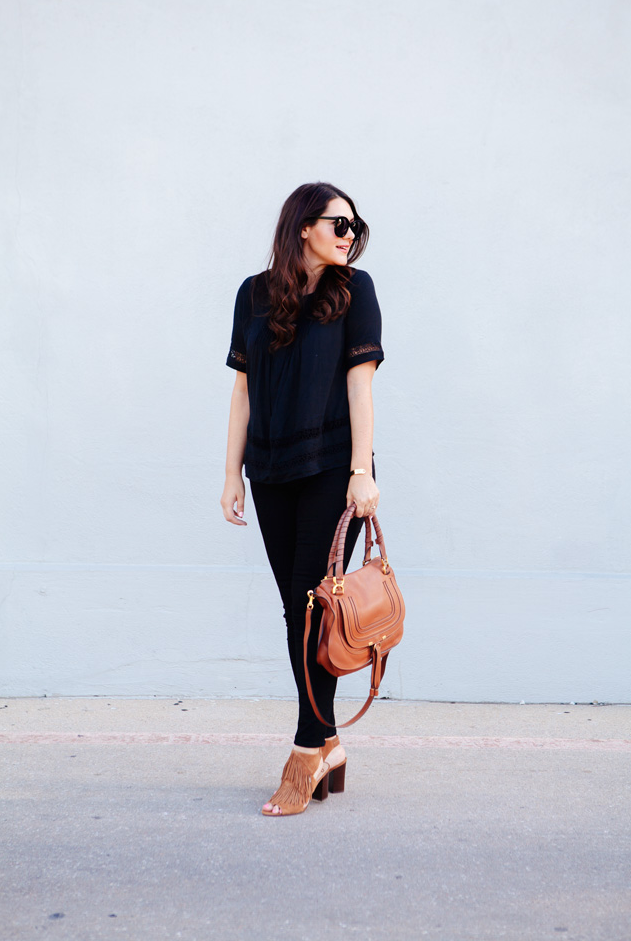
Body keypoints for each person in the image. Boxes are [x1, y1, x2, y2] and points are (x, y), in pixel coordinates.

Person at [220, 182, 384, 816]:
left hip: (328, 467)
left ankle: (306, 747)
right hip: (268, 467)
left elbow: (360, 386)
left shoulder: (355, 292)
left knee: (315, 606)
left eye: (353, 226)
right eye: (337, 224)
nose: (349, 235)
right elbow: (242, 391)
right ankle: (331, 743)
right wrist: (231, 473)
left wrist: (361, 471)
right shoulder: (253, 295)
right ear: (302, 227)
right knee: (297, 607)